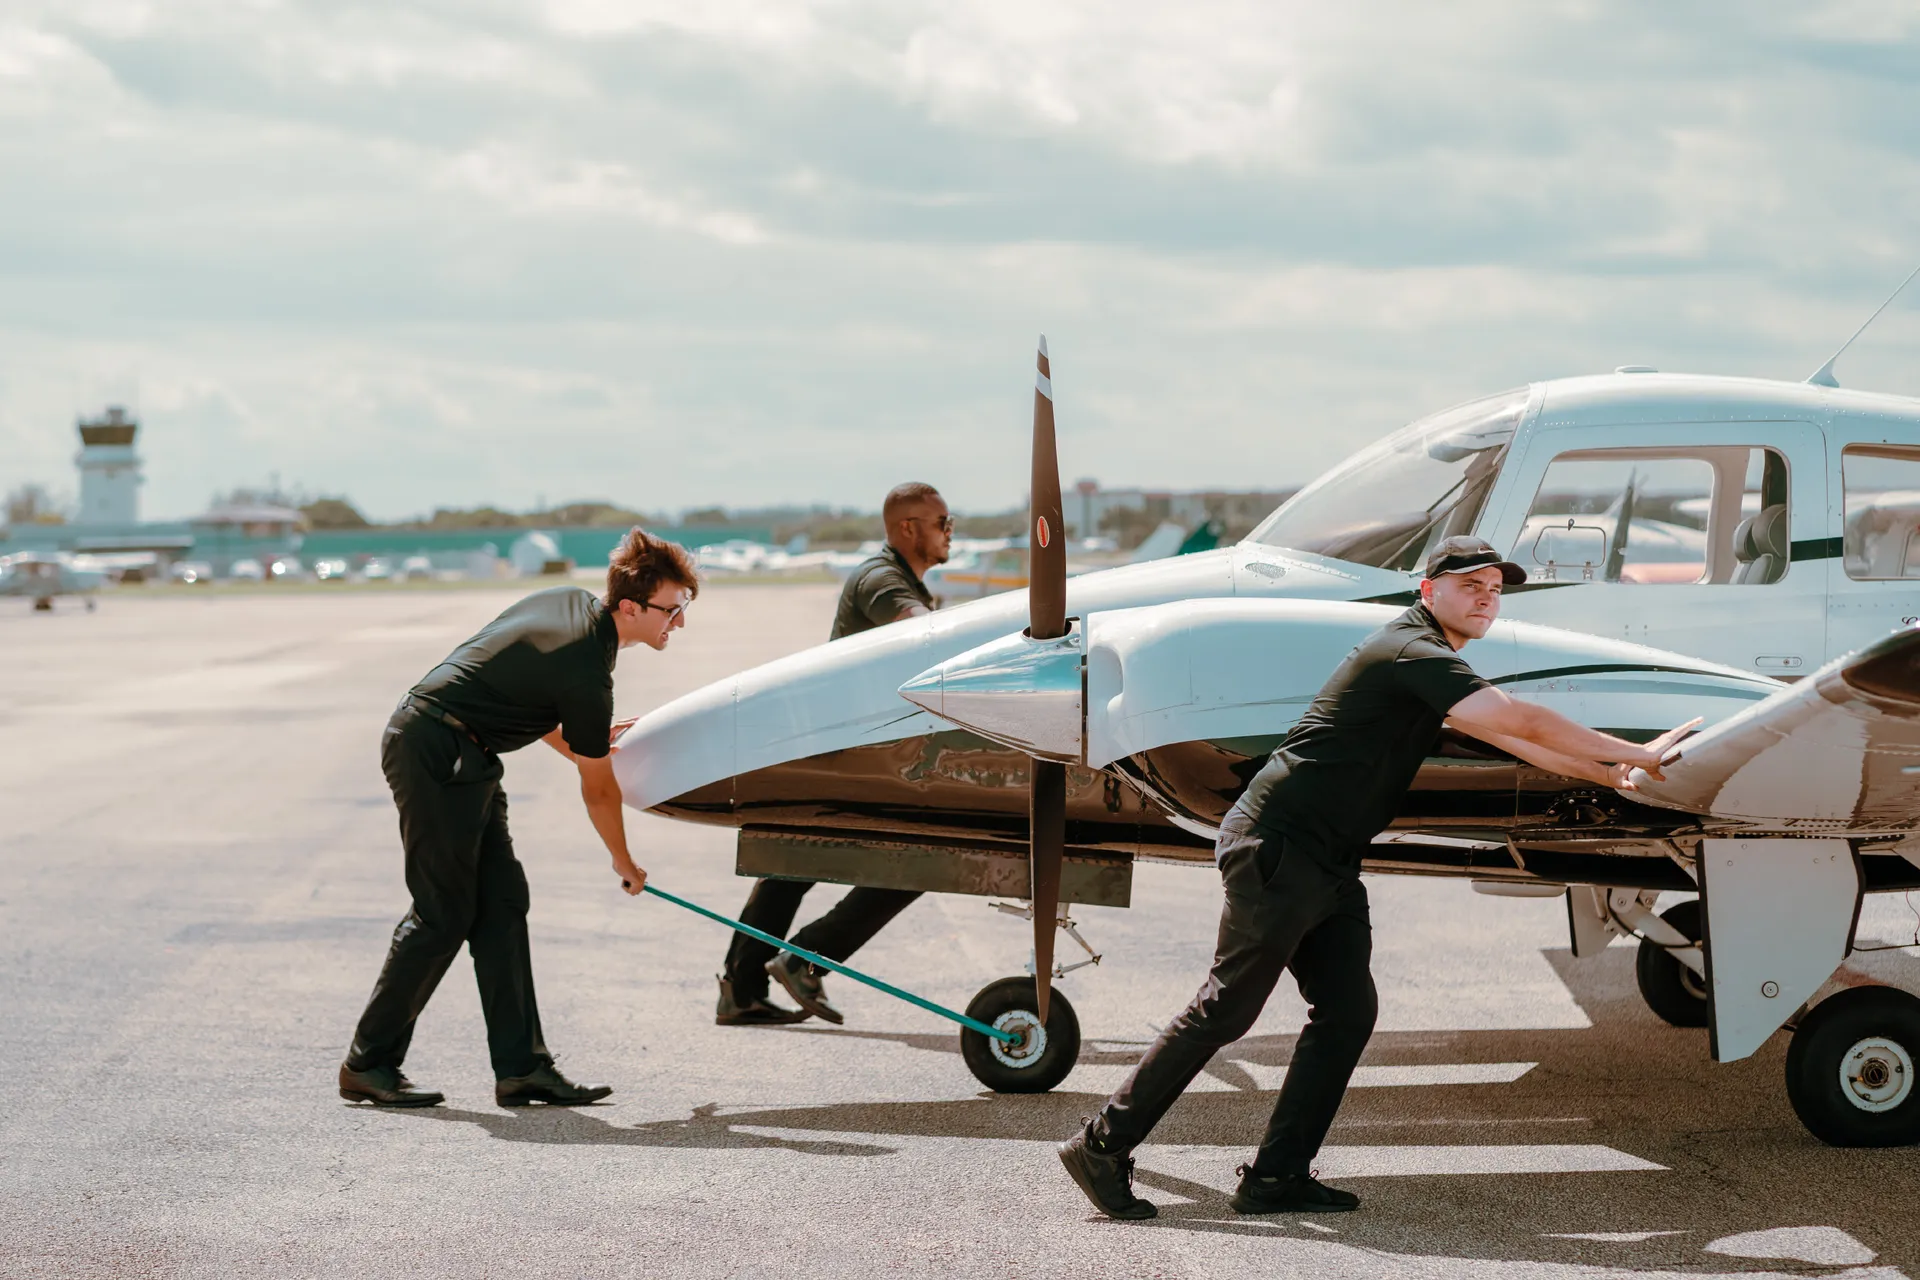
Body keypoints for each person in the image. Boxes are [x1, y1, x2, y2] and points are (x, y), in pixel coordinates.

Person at [1057, 535, 1701, 1219]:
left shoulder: (1435, 665)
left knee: (1347, 1011)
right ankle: (1101, 1145)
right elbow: (1522, 717)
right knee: (1228, 1008)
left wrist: (1613, 775)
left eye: (1495, 589)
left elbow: (1512, 739)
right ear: (1429, 591)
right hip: (1281, 845)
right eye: (1469, 585)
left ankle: (1276, 1176)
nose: (1485, 598)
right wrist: (1640, 752)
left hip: (1327, 858)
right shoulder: (1409, 650)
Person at [338, 527, 699, 1108]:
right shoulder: (586, 666)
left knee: (503, 904)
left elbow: (523, 697)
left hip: (466, 752)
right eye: (673, 610)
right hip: (435, 750)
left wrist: (591, 742)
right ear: (631, 607)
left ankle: (522, 1068)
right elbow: (599, 791)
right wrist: (625, 861)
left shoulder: (572, 605)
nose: (678, 623)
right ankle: (368, 1063)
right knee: (443, 912)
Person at [715, 482, 954, 1026]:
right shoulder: (881, 579)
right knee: (928, 858)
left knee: (794, 864)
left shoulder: (900, 579)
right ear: (907, 528)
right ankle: (801, 961)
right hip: (853, 756)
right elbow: (926, 637)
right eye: (943, 522)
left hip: (847, 751)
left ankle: (743, 988)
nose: (949, 533)